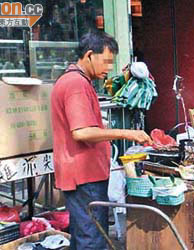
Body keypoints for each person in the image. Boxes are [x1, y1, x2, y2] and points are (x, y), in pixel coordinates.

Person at [51, 31, 152, 250]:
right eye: (106, 61)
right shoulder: (76, 84)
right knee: (92, 240)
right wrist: (128, 133)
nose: (109, 68)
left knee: (85, 236)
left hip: (84, 175)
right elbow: (82, 132)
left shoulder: (76, 81)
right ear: (89, 55)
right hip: (84, 177)